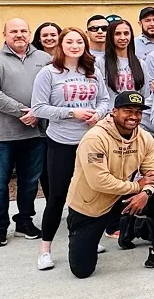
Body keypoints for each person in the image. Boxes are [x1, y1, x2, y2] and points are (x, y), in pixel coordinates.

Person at [64, 91, 154, 277]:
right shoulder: (94, 138)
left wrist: (145, 193)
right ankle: (87, 235)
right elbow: (99, 181)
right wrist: (137, 187)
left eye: (138, 112)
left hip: (121, 197)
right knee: (82, 270)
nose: (133, 116)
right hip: (91, 206)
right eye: (128, 110)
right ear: (114, 111)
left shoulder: (144, 137)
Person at [31, 28, 110, 270]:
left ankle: (86, 239)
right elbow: (39, 108)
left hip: (90, 142)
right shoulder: (48, 73)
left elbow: (104, 100)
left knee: (90, 193)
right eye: (69, 42)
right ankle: (45, 250)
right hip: (62, 143)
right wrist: (71, 113)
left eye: (79, 42)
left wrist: (98, 114)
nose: (74, 46)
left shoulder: (93, 71)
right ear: (61, 45)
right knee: (57, 197)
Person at [0, 18, 51, 247]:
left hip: (35, 133)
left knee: (29, 182)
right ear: (5, 34)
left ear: (29, 33)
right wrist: (23, 111)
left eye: (23, 31)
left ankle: (24, 222)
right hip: (2, 135)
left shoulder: (44, 59)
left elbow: (53, 87)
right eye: (13, 31)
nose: (19, 35)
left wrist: (38, 113)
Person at [104, 19, 146, 94]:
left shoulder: (141, 63)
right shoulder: (101, 63)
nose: (123, 38)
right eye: (117, 34)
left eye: (126, 33)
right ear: (110, 36)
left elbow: (145, 94)